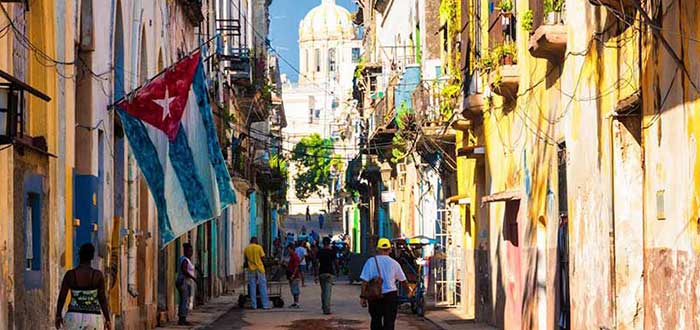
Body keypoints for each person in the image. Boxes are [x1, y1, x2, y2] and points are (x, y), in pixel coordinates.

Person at [55, 243, 111, 329]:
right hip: (94, 319)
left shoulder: (70, 275)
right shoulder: (97, 275)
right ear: (92, 257)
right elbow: (102, 299)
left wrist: (58, 315)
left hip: (73, 317)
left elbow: (62, 297)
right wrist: (107, 319)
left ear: (79, 255)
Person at [360, 238, 408, 330]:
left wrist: (363, 297)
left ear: (378, 249)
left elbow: (364, 281)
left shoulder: (370, 262)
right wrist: (409, 292)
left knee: (375, 321)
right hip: (390, 296)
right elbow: (403, 280)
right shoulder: (394, 263)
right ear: (390, 250)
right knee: (389, 322)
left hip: (374, 296)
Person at [244, 237, 270, 309]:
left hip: (251, 269)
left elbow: (246, 260)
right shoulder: (259, 247)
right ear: (256, 241)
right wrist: (265, 266)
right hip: (260, 269)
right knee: (263, 286)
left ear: (250, 241)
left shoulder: (246, 248)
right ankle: (265, 305)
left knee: (252, 287)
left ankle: (254, 305)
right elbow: (262, 258)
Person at [175, 243, 197, 325]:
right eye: (189, 251)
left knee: (183, 300)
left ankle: (182, 318)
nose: (191, 253)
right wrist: (193, 277)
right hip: (184, 282)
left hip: (182, 281)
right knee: (184, 300)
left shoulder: (183, 259)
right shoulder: (185, 260)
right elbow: (184, 270)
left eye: (191, 251)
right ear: (185, 251)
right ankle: (182, 319)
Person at [315, 237, 338, 315]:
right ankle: (326, 309)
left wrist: (315, 274)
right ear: (329, 243)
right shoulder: (332, 252)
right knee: (327, 291)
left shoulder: (320, 252)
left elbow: (316, 263)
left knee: (323, 290)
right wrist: (337, 271)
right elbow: (336, 262)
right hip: (329, 273)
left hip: (321, 273)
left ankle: (324, 306)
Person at [286, 244, 302, 308]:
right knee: (293, 289)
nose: (288, 251)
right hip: (291, 274)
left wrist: (293, 275)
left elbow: (296, 267)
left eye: (289, 249)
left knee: (295, 290)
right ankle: (295, 302)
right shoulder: (291, 256)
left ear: (292, 249)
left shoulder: (295, 257)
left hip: (294, 276)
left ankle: (297, 303)